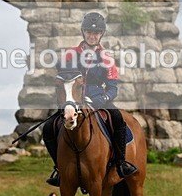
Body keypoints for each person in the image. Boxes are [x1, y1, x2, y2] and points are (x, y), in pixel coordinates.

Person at [43, 11, 138, 186]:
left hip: (98, 97)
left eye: (96, 33)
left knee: (117, 118)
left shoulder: (106, 58)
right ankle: (59, 168)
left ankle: (120, 163)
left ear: (101, 34)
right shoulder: (70, 54)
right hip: (73, 98)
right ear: (83, 32)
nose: (92, 36)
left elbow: (112, 88)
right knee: (49, 126)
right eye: (89, 32)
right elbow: (63, 76)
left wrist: (102, 100)